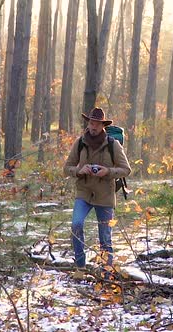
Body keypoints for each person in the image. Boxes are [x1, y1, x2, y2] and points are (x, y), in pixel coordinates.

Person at [63, 107, 131, 275]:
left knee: (105, 238)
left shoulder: (112, 145)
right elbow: (66, 168)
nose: (93, 126)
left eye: (97, 124)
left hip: (105, 195)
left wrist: (108, 172)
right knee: (76, 224)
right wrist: (79, 170)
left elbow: (126, 169)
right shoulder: (80, 143)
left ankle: (106, 273)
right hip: (84, 192)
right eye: (91, 123)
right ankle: (80, 266)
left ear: (103, 126)